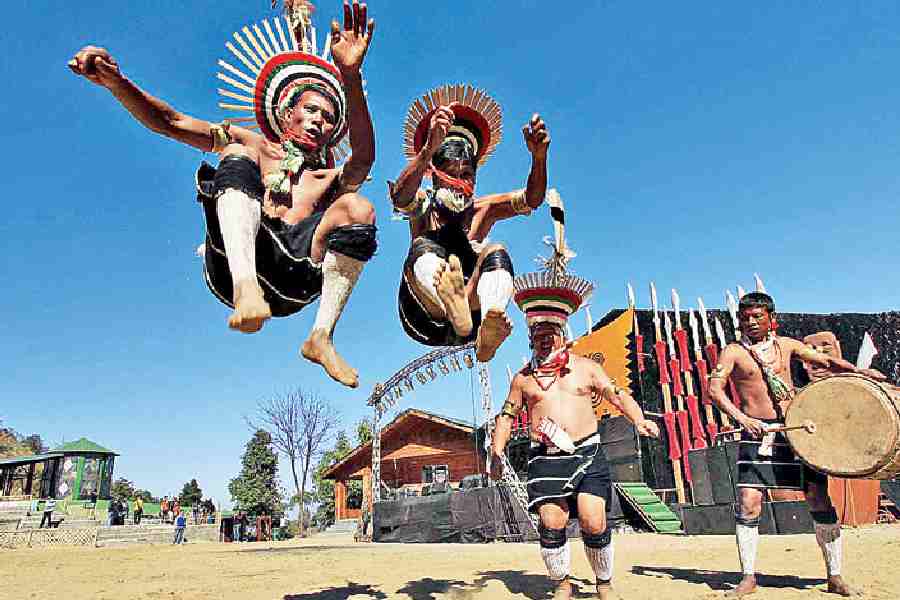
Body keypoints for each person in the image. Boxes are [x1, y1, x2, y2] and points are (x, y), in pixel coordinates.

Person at [68, 0, 378, 388]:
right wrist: (117, 83)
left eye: (330, 118)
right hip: (233, 270)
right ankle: (247, 286)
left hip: (293, 280)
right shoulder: (254, 145)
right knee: (235, 152)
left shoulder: (324, 179)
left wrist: (350, 76)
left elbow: (363, 159)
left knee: (359, 207)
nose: (319, 120)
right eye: (311, 110)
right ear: (286, 115)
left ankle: (321, 337)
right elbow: (171, 122)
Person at [492, 270, 659, 600]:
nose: (544, 338)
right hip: (545, 458)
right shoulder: (523, 380)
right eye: (538, 332)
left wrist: (638, 418)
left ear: (563, 335)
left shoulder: (585, 368)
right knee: (552, 523)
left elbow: (616, 394)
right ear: (530, 338)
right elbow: (506, 417)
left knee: (593, 521)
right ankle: (562, 582)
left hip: (587, 453)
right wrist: (497, 452)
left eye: (550, 332)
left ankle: (604, 582)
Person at [708, 292, 886, 598]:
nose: (750, 322)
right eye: (745, 317)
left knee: (819, 499)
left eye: (757, 317)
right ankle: (748, 577)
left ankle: (835, 575)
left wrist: (859, 371)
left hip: (797, 435)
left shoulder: (787, 346)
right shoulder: (733, 352)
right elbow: (714, 389)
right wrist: (741, 418)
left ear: (770, 319)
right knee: (749, 503)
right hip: (757, 435)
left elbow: (826, 360)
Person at [388, 85, 550, 362]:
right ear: (435, 175)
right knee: (423, 245)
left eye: (466, 174)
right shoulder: (423, 207)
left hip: (470, 316)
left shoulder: (482, 210)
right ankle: (450, 302)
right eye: (451, 173)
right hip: (423, 314)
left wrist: (539, 158)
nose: (459, 182)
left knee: (495, 250)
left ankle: (489, 328)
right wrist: (428, 149)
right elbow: (401, 198)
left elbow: (532, 199)